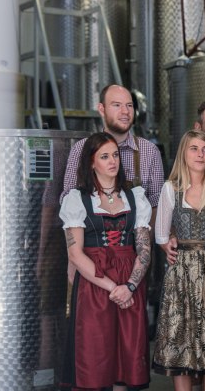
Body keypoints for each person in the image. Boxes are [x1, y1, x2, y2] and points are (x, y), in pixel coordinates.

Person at [61, 84, 165, 317]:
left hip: (135, 262)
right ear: (101, 109)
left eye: (129, 105)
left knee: (131, 332)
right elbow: (68, 203)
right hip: (90, 264)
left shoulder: (149, 152)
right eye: (117, 105)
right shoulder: (80, 150)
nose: (125, 111)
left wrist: (143, 264)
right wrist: (72, 261)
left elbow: (157, 207)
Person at [58, 132, 152, 390]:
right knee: (95, 355)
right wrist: (114, 288)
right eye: (104, 156)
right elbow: (75, 254)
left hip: (130, 285)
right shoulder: (77, 199)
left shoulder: (135, 197)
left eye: (115, 155)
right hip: (95, 287)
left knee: (127, 358)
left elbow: (144, 249)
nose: (112, 161)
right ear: (91, 162)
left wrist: (129, 287)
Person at [152, 130, 205, 390]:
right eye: (194, 149)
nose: (200, 154)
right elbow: (161, 234)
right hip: (183, 275)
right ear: (183, 154)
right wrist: (169, 244)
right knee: (181, 339)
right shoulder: (171, 189)